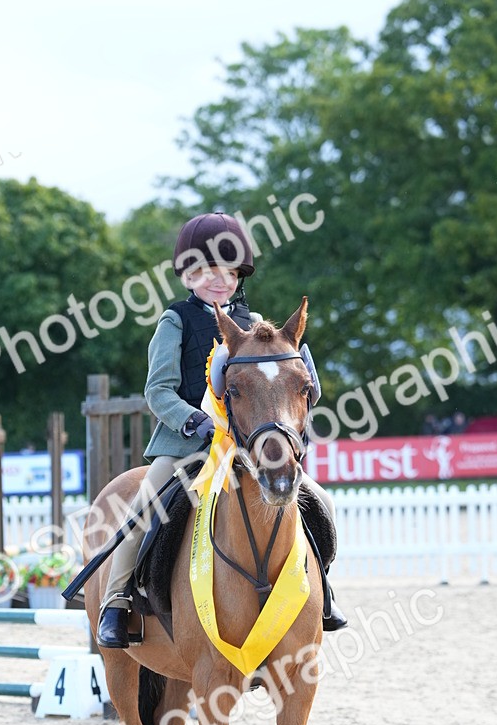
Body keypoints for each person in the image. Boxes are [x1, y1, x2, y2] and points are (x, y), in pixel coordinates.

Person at [96, 212, 347, 649]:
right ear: (189, 276)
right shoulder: (174, 322)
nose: (219, 281)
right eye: (207, 273)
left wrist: (305, 381)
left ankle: (320, 589)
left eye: (228, 273)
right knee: (146, 505)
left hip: (247, 444)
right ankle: (116, 599)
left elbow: (281, 382)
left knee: (317, 500)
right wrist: (195, 419)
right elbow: (158, 391)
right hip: (186, 443)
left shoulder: (256, 322)